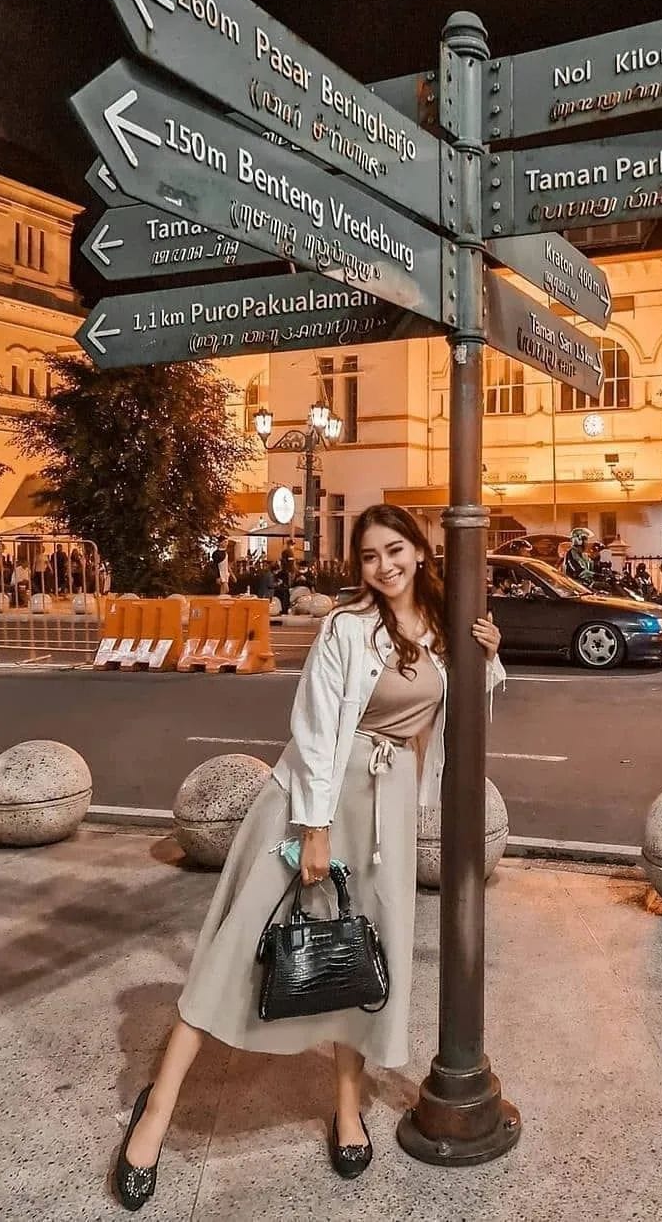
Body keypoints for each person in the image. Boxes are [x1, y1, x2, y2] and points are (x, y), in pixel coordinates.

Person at [112, 504, 505, 1207]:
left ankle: (348, 1107)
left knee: (359, 960)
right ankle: (157, 1109)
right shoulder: (346, 629)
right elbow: (317, 728)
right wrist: (314, 828)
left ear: (419, 550)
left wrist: (490, 652)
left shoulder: (444, 633)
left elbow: (465, 721)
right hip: (311, 802)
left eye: (395, 550)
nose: (383, 566)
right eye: (370, 556)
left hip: (385, 812)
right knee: (235, 947)